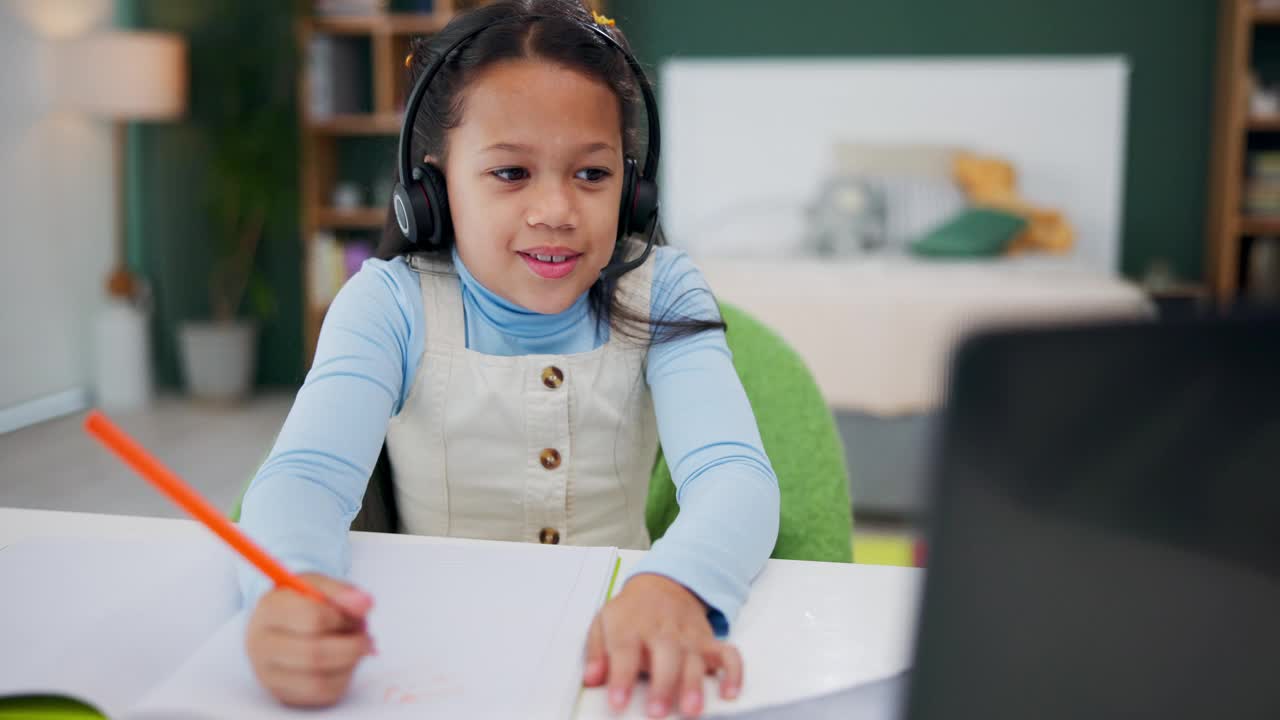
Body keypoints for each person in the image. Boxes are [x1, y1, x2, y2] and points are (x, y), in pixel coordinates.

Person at [237, 2, 780, 717]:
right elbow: (304, 478)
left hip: (614, 650)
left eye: (591, 174)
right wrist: (289, 586)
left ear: (633, 189)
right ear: (433, 190)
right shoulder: (387, 304)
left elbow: (734, 476)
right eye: (511, 173)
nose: (555, 208)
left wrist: (675, 585)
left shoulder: (664, 288)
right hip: (434, 657)